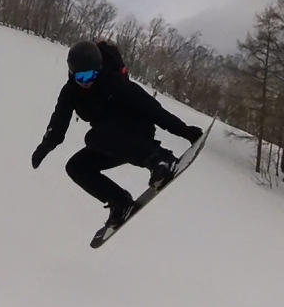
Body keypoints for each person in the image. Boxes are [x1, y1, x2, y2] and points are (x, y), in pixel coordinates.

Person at [31, 39, 203, 242]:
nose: (88, 81)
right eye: (82, 76)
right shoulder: (70, 93)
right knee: (76, 167)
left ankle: (160, 159)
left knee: (94, 137)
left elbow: (152, 109)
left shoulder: (113, 81)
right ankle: (119, 201)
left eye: (93, 74)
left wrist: (185, 131)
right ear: (72, 72)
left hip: (138, 132)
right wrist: (45, 146)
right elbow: (59, 122)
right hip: (112, 142)